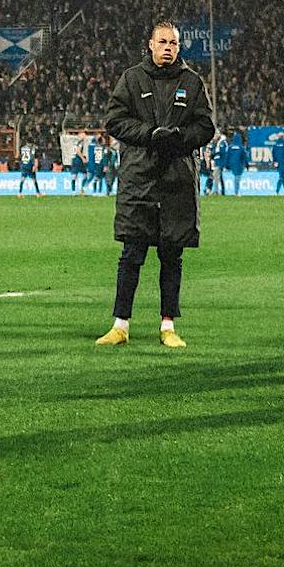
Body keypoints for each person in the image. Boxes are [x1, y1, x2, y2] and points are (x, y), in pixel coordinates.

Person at [94, 21, 215, 350]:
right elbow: (115, 121)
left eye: (173, 43)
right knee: (131, 254)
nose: (168, 48)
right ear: (150, 45)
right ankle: (120, 325)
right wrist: (149, 134)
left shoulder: (192, 82)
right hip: (139, 179)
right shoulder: (132, 79)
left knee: (172, 255)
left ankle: (168, 325)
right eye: (162, 42)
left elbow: (206, 126)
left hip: (177, 180)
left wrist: (178, 137)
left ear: (179, 47)